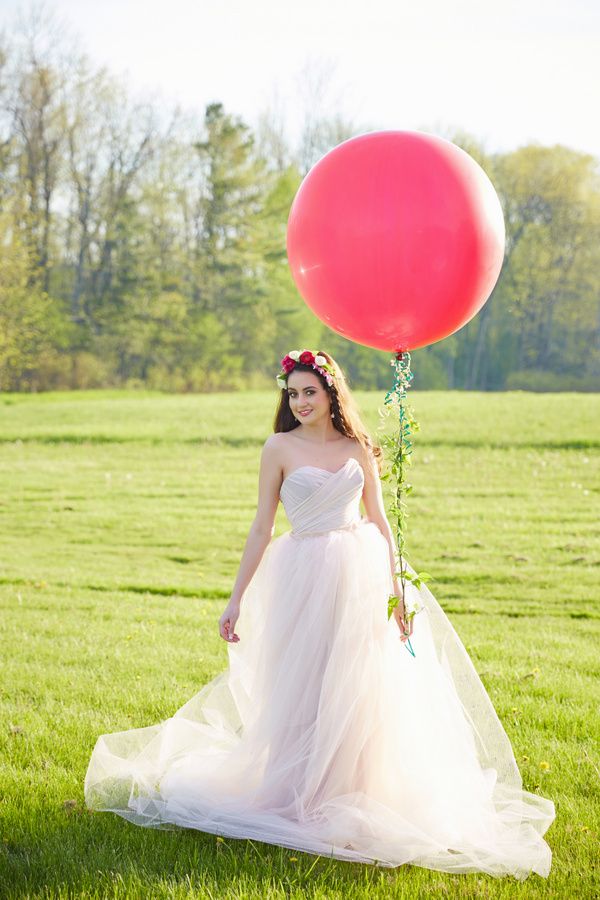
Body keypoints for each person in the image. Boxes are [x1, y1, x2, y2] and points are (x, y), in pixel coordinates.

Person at [84, 348, 555, 880]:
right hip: (303, 573)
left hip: (362, 574)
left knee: (363, 685)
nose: (301, 401)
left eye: (311, 391)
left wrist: (400, 589)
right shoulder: (279, 447)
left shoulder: (357, 448)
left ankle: (358, 790)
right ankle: (298, 792)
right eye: (293, 394)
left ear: (332, 393)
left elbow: (380, 521)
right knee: (305, 683)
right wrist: (236, 597)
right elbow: (262, 525)